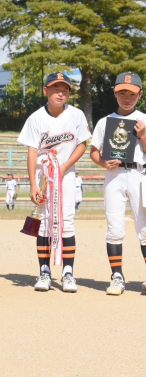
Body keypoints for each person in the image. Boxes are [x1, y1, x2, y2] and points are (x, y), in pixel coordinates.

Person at [17, 72, 91, 292]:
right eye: (55, 88)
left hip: (65, 174)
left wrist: (65, 167)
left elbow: (82, 145)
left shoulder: (76, 115)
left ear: (69, 92)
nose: (60, 93)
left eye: (64, 89)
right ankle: (45, 272)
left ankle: (68, 273)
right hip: (43, 176)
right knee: (45, 221)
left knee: (67, 221)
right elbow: (32, 152)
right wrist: (32, 184)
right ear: (45, 91)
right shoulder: (36, 118)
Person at [90, 72, 146, 296]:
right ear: (115, 93)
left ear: (140, 94)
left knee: (145, 225)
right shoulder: (105, 121)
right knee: (114, 227)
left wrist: (143, 137)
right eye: (122, 93)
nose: (126, 97)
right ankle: (117, 276)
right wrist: (103, 163)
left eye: (131, 93)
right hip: (114, 174)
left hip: (139, 172)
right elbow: (93, 152)